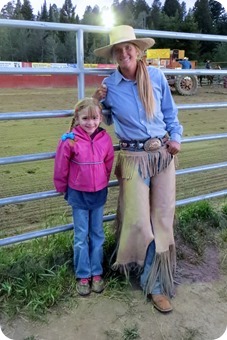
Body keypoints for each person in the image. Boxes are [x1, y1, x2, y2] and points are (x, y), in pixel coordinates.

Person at [93, 25, 183, 313]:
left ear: (138, 50)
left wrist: (176, 137)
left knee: (162, 219)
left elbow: (170, 113)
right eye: (118, 50)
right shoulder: (109, 86)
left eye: (128, 47)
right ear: (114, 56)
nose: (124, 52)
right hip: (132, 157)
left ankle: (154, 282)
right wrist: (98, 102)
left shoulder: (156, 76)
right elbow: (104, 119)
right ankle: (140, 267)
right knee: (140, 221)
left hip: (162, 154)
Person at [53, 97, 114, 296]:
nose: (90, 123)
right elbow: (61, 166)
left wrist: (103, 181)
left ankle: (96, 272)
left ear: (100, 118)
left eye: (95, 118)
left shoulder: (105, 139)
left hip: (98, 194)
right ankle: (83, 275)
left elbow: (108, 162)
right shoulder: (70, 140)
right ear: (77, 118)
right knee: (81, 236)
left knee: (97, 234)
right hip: (78, 194)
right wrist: (61, 186)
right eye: (85, 118)